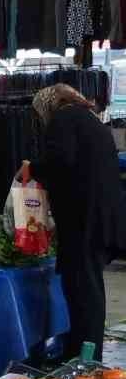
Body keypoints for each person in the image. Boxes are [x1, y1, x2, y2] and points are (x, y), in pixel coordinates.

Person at [28, 83, 126, 360]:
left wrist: (32, 168)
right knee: (87, 288)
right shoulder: (87, 118)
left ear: (48, 106)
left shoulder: (63, 119)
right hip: (101, 216)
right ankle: (80, 350)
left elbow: (60, 161)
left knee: (84, 291)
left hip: (86, 221)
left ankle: (86, 358)